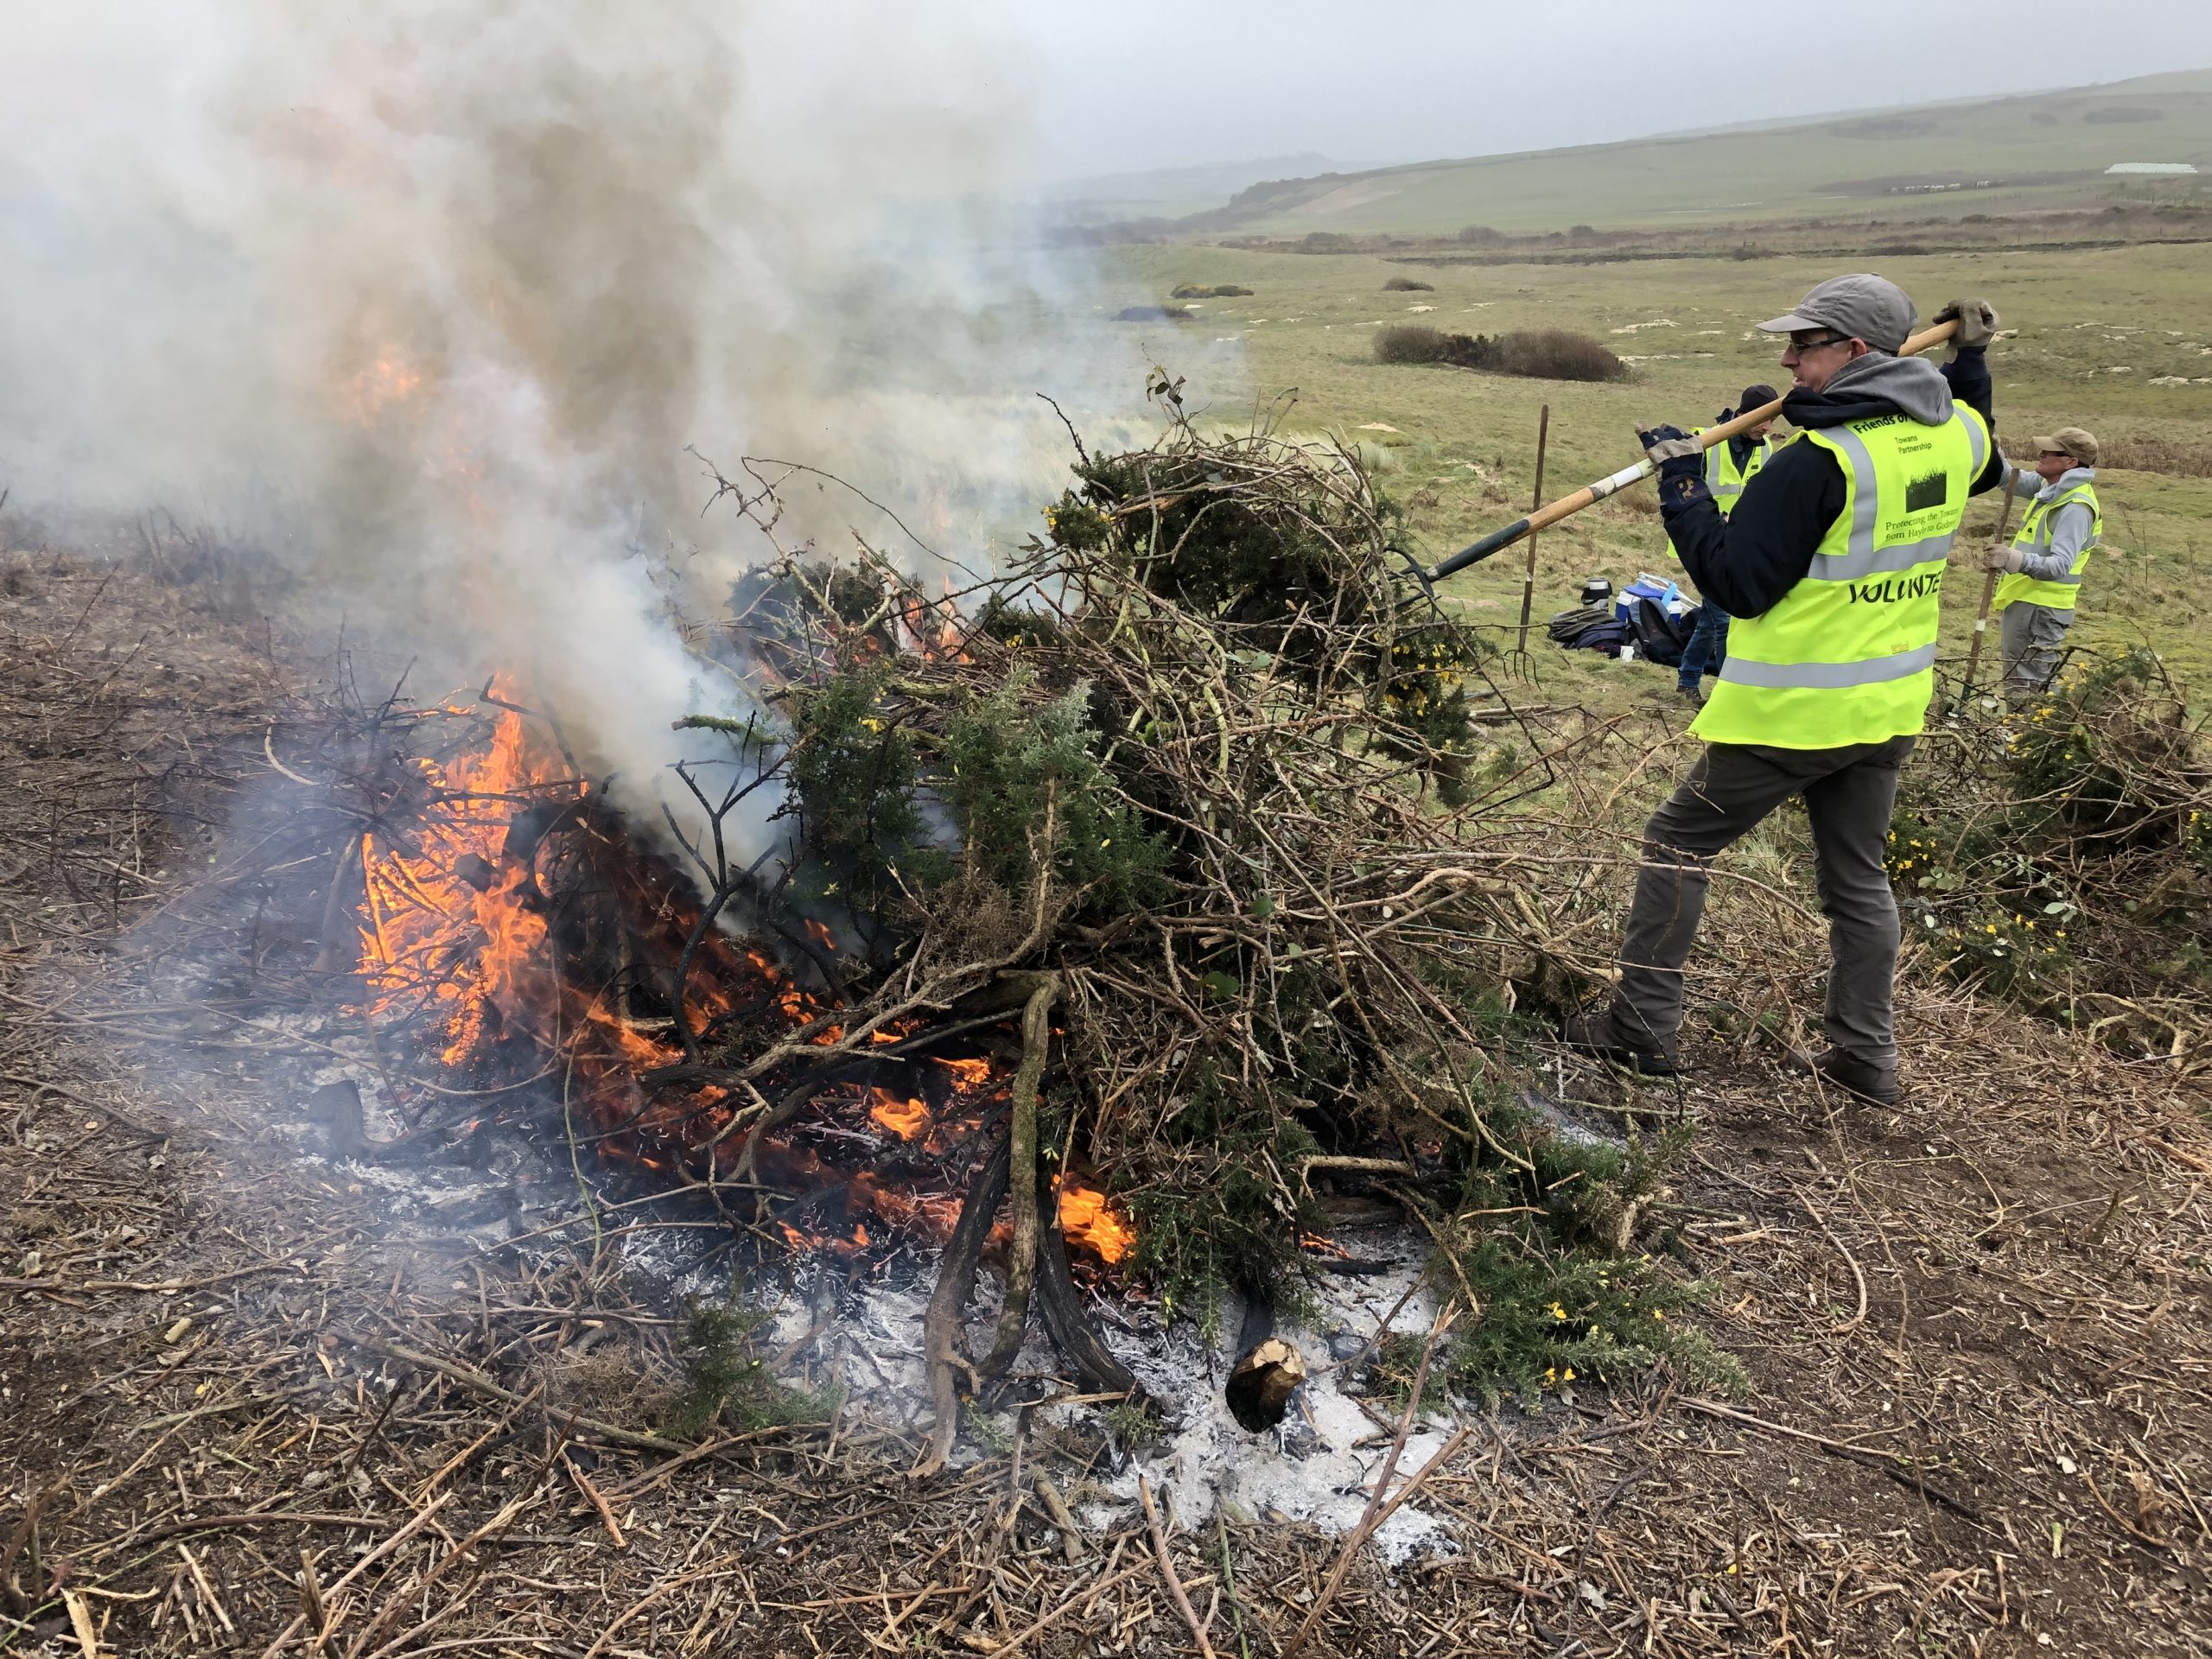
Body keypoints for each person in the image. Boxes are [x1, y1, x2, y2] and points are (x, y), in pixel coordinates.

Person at [1563, 275, 2005, 1105]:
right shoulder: (1951, 435)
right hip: (1886, 709)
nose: (1787, 360)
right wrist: (1971, 363)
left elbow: (1738, 585)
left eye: (1805, 345)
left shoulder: (1818, 461)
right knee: (1859, 881)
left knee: (1675, 845)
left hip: (1793, 714)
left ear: (1856, 352)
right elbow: (1982, 456)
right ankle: (1866, 1058)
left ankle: (1641, 1027)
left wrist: (1683, 486)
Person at [1675, 384, 1781, 703]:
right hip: (1703, 546)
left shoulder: (1766, 449)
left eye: (1772, 420)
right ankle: (1729, 696)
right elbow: (1687, 495)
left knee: (1710, 621)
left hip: (1738, 547)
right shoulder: (1705, 442)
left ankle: (1687, 681)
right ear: (1743, 413)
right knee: (1725, 620)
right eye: (1762, 419)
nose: (1767, 428)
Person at [1986, 426, 2101, 691]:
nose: (2041, 454)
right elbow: (2008, 479)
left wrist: (2011, 558)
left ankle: (2036, 721)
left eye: (2050, 452)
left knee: (2028, 686)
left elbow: (2061, 565)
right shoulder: (2051, 488)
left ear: (2070, 462)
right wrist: (1992, 448)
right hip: (2029, 603)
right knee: (2024, 681)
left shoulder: (2075, 507)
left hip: (2040, 610)